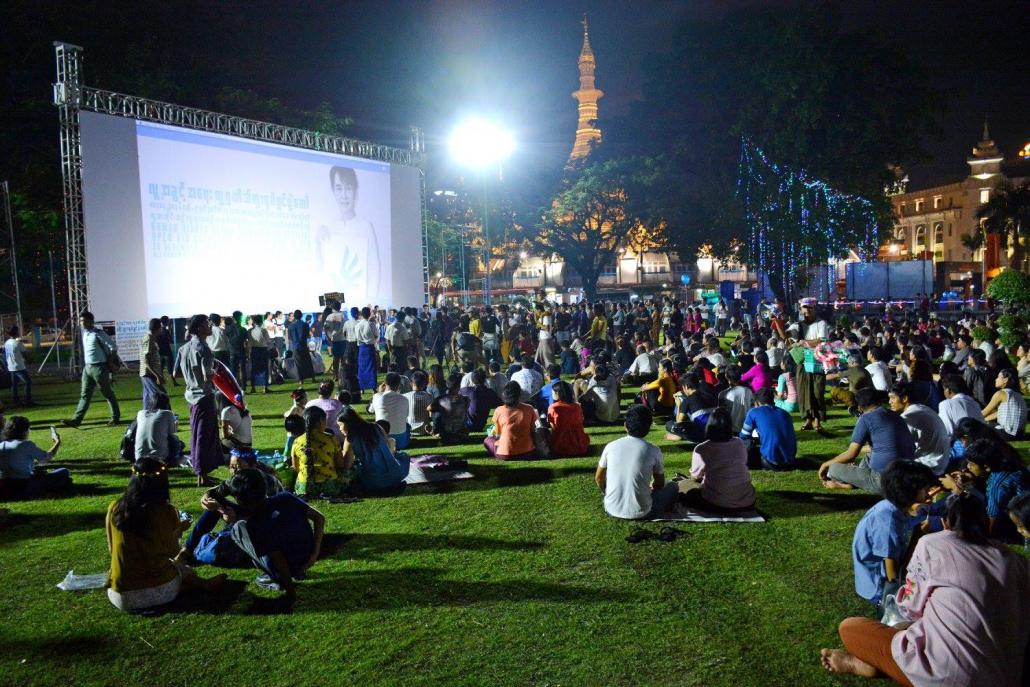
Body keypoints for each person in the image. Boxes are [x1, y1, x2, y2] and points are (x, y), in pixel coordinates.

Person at [821, 495, 1030, 686]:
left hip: (951, 675)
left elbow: (911, 607)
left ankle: (875, 666)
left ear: (946, 522)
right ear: (985, 522)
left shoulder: (932, 544)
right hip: (1008, 674)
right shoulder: (1016, 560)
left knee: (851, 628)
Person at [106, 459, 225, 612]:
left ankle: (190, 585)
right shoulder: (164, 511)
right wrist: (179, 529)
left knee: (174, 569)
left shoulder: (114, 507)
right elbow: (173, 552)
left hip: (118, 595)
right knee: (182, 569)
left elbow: (112, 549)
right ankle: (201, 585)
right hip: (157, 591)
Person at [223, 468, 326, 609]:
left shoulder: (255, 524)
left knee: (237, 528)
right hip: (306, 557)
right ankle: (290, 574)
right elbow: (319, 518)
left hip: (291, 567)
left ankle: (275, 578)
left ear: (240, 500)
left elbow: (278, 560)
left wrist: (290, 591)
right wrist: (314, 553)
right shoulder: (286, 498)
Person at [850, 461, 936, 609]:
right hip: (880, 588)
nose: (929, 492)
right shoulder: (887, 519)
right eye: (925, 489)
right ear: (909, 491)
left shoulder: (894, 508)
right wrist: (917, 536)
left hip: (887, 575)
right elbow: (892, 574)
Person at [178, 449, 284, 567]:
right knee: (215, 505)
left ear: (253, 466)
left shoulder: (266, 483)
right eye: (231, 467)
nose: (234, 471)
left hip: (269, 522)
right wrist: (206, 500)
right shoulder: (238, 479)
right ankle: (187, 550)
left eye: (238, 467)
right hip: (249, 514)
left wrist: (236, 518)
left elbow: (270, 516)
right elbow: (213, 493)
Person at [819, 388, 916, 493]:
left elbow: (851, 455)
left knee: (833, 469)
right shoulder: (895, 415)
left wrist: (825, 465)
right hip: (907, 476)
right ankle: (854, 481)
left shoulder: (866, 418)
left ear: (860, 407)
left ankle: (850, 484)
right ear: (879, 401)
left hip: (884, 481)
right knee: (869, 455)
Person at [595, 404, 678, 520]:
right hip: (644, 513)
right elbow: (659, 484)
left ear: (625, 426)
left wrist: (606, 493)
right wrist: (649, 487)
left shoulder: (611, 446)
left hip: (611, 509)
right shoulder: (653, 450)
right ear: (648, 428)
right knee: (673, 486)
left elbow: (599, 478)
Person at [683, 407, 756, 511]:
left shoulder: (702, 448)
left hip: (716, 503)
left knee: (690, 492)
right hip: (747, 501)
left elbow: (695, 477)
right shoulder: (739, 443)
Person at [178, 315, 222, 486]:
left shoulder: (184, 348)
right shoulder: (203, 349)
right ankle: (202, 473)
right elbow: (207, 377)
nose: (209, 326)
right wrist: (215, 371)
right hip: (203, 396)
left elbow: (177, 373)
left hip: (191, 395)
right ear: (198, 329)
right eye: (206, 324)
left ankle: (201, 472)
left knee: (196, 433)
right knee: (204, 435)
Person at [961, 438, 1029, 540]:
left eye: (971, 464)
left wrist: (963, 492)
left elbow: (992, 521)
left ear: (987, 467)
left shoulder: (997, 485)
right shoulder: (1011, 466)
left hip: (1015, 525)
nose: (968, 467)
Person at [64, 311, 120, 427]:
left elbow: (113, 347)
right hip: (88, 368)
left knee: (107, 393)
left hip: (99, 367)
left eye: (84, 321)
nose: (81, 323)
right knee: (84, 395)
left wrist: (109, 362)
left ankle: (115, 417)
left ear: (91, 321)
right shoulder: (85, 334)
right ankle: (76, 420)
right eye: (80, 321)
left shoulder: (98, 333)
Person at [339, 407, 410, 495]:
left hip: (372, 481)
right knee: (403, 456)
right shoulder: (377, 427)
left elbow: (346, 466)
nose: (340, 429)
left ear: (348, 424)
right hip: (395, 475)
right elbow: (388, 448)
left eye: (340, 425)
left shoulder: (350, 438)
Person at [887, 383, 950, 475]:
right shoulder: (922, 408)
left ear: (904, 399)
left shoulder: (910, 416)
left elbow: (893, 444)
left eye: (892, 398)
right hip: (941, 462)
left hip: (930, 465)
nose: (889, 402)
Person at [0, 416, 69, 499]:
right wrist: (57, 442)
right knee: (64, 471)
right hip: (24, 485)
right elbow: (45, 458)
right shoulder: (26, 445)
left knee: (40, 474)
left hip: (5, 486)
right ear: (24, 431)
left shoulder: (2, 445)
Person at [291, 405, 351, 499]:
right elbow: (340, 464)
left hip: (304, 488)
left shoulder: (297, 441)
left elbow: (296, 468)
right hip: (329, 487)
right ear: (320, 422)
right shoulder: (330, 438)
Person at [793, 298, 830, 431]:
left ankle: (817, 420)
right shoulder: (798, 325)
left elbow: (823, 339)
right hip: (803, 360)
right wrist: (776, 321)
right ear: (801, 309)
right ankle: (808, 419)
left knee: (817, 391)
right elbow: (786, 336)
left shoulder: (821, 323)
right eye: (805, 307)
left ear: (814, 309)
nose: (807, 310)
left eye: (810, 307)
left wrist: (804, 342)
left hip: (817, 359)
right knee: (804, 390)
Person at [738, 388, 798, 469]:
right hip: (790, 460)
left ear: (758, 402)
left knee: (746, 445)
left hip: (771, 462)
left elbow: (743, 436)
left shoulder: (753, 412)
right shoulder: (785, 413)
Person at [484, 381, 538, 461]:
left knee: (487, 440)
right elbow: (532, 431)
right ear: (519, 394)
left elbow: (498, 435)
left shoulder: (499, 410)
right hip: (528, 453)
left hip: (505, 454)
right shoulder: (529, 408)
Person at [664, 373, 717, 443]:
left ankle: (679, 436)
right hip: (716, 433)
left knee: (669, 424)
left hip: (701, 436)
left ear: (685, 387)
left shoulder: (687, 401)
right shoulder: (709, 396)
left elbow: (678, 424)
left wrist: (679, 404)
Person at [133, 393, 182, 463]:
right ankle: (174, 458)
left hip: (139, 456)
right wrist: (176, 424)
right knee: (176, 440)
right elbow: (172, 432)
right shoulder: (167, 413)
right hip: (160, 456)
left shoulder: (140, 413)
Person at [367, 372, 411, 450]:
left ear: (384, 384)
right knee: (407, 426)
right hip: (400, 442)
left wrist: (379, 392)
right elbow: (406, 416)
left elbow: (370, 410)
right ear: (399, 385)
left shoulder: (377, 397)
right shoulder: (404, 399)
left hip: (382, 439)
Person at [546, 381, 590, 457]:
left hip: (561, 446)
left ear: (557, 393)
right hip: (580, 444)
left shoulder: (553, 407)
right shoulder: (577, 406)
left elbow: (554, 429)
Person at [981, 367, 1026, 439]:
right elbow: (999, 413)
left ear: (1005, 380)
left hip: (1007, 433)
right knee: (987, 423)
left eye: (998, 377)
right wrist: (985, 419)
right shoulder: (1017, 394)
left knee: (979, 428)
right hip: (1019, 434)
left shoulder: (1001, 393)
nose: (996, 379)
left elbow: (984, 412)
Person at [428, 372, 471, 443]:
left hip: (445, 433)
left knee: (434, 411)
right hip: (460, 431)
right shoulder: (466, 400)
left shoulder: (440, 399)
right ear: (458, 386)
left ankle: (435, 430)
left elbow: (429, 408)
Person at [138, 318, 166, 412]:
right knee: (160, 395)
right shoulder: (149, 339)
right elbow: (146, 360)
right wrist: (157, 375)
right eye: (161, 327)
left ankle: (146, 416)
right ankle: (165, 415)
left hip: (149, 373)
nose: (162, 329)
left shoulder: (152, 339)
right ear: (158, 328)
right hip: (148, 374)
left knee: (148, 397)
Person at [460, 368, 501, 432]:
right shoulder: (489, 392)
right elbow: (500, 404)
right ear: (484, 379)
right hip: (480, 425)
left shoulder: (465, 390)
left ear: (472, 380)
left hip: (466, 424)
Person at [718, 364, 754, 434]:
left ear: (726, 376)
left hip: (730, 430)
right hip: (746, 429)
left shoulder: (723, 394)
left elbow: (721, 415)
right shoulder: (748, 391)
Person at [5, 326, 34, 407]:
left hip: (11, 366)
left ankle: (16, 400)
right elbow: (25, 355)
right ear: (16, 332)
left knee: (14, 384)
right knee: (28, 382)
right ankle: (28, 400)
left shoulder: (7, 342)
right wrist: (30, 359)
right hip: (19, 366)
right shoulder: (18, 343)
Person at [354, 307, 379, 393]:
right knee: (371, 367)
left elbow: (357, 337)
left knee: (362, 368)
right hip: (369, 347)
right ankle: (373, 387)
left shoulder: (357, 325)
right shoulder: (371, 324)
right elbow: (376, 335)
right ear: (369, 314)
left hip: (361, 348)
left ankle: (362, 388)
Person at [246, 315, 271, 394]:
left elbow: (248, 342)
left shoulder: (249, 331)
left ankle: (253, 387)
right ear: (261, 321)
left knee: (254, 369)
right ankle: (265, 387)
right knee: (264, 368)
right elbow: (268, 341)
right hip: (263, 349)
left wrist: (249, 352)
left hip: (254, 350)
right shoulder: (263, 330)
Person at [404, 371, 435, 435]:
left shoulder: (405, 397)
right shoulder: (429, 397)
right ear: (425, 384)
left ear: (411, 383)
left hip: (410, 431)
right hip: (425, 430)